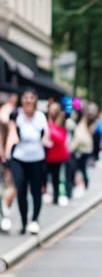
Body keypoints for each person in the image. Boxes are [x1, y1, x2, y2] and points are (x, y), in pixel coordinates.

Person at [6, 88, 53, 234]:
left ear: (35, 100)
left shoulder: (41, 116)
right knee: (20, 188)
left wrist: (47, 142)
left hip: (37, 158)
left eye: (31, 98)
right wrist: (7, 152)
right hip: (19, 158)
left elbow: (46, 136)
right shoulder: (16, 115)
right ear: (22, 100)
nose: (28, 101)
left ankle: (34, 220)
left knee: (35, 190)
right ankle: (24, 221)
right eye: (25, 98)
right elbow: (11, 133)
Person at [46, 101, 72, 206]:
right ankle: (50, 194)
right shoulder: (48, 122)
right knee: (49, 177)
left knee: (57, 177)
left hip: (58, 155)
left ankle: (58, 196)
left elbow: (61, 138)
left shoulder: (61, 123)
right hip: (48, 155)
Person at [0, 93, 19, 232]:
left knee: (9, 185)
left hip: (8, 157)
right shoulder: (6, 114)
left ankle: (4, 210)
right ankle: (4, 211)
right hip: (6, 157)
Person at [70, 105, 96, 189]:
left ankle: (77, 183)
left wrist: (70, 148)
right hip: (86, 150)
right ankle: (84, 181)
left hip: (81, 151)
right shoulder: (87, 125)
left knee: (78, 167)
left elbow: (78, 139)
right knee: (82, 168)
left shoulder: (81, 125)